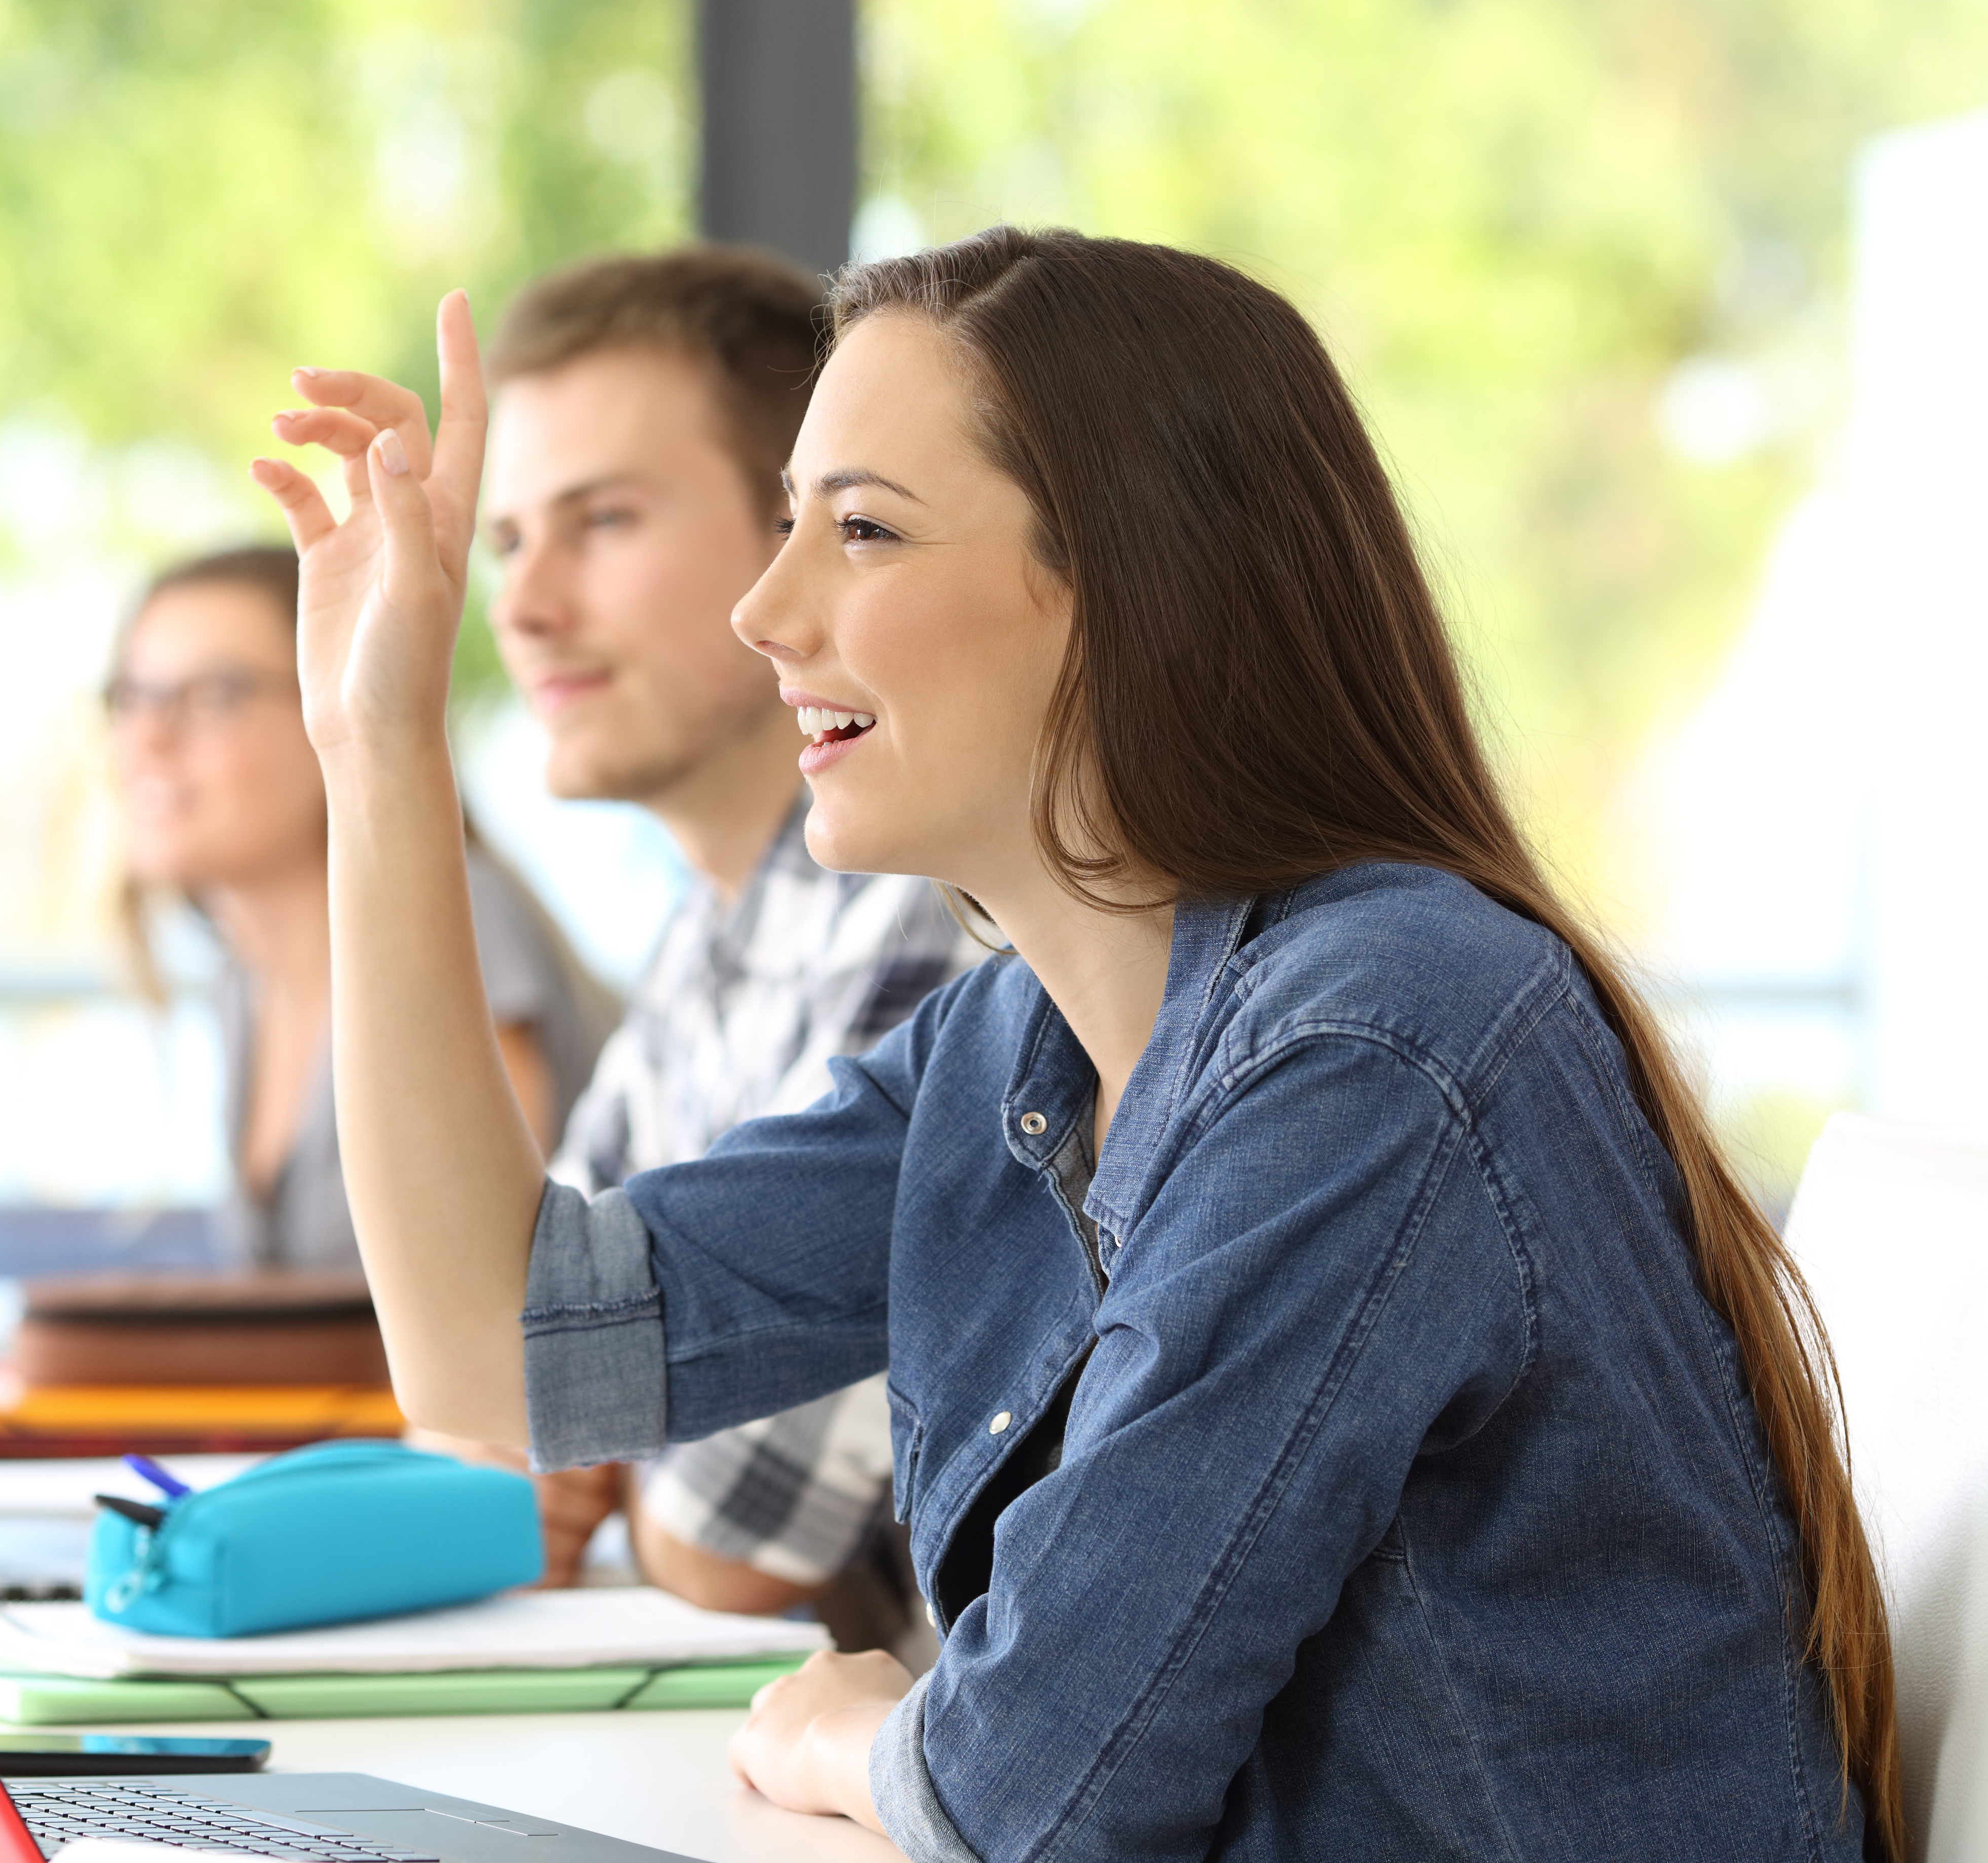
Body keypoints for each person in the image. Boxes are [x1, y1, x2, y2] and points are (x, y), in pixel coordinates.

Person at [253, 231, 1898, 1860]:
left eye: (864, 534)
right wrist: (376, 742)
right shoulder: (1011, 1043)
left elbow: (1039, 1789)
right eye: (780, 531)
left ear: (1128, 591)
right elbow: (508, 1347)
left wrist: (858, 1730)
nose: (766, 610)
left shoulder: (1377, 1043)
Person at [472, 247, 981, 1630]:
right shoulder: (711, 940)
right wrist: (589, 1444)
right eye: (508, 540)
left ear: (801, 531)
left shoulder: (938, 911)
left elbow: (734, 1551)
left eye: (605, 521)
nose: (523, 607)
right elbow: (515, 1394)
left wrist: (603, 1461)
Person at [106, 545, 608, 1270]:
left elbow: (486, 1281)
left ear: (342, 704)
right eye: (133, 697)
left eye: (215, 695)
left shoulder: (461, 922)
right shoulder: (240, 988)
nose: (147, 740)